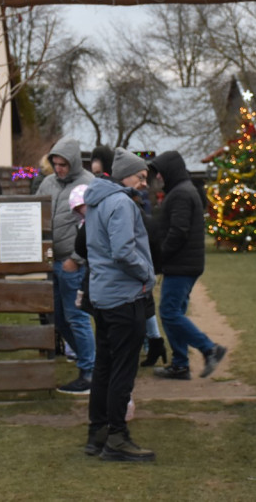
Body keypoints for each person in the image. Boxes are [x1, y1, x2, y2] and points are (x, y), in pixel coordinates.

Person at [82, 148, 157, 462]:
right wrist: (146, 276)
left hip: (102, 296)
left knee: (104, 367)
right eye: (140, 177)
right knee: (122, 371)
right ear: (125, 174)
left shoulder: (96, 200)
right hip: (124, 298)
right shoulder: (122, 203)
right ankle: (116, 437)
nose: (143, 183)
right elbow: (124, 252)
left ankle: (97, 433)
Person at [149, 150, 226, 380]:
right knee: (175, 312)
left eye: (161, 173)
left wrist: (160, 257)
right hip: (185, 264)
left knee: (169, 312)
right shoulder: (182, 190)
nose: (159, 178)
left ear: (170, 171)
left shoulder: (180, 194)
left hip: (180, 265)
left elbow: (178, 232)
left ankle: (210, 349)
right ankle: (180, 364)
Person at [35, 136, 95, 394]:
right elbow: (34, 211)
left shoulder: (89, 185)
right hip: (51, 262)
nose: (58, 168)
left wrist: (76, 259)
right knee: (58, 317)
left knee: (76, 317)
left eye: (63, 164)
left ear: (73, 162)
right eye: (55, 163)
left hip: (73, 265)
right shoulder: (48, 183)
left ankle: (90, 373)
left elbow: (93, 226)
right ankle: (88, 358)